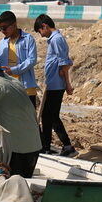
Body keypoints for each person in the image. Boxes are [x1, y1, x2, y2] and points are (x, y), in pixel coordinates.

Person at [33, 14, 76, 157]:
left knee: (52, 116)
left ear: (44, 26)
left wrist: (68, 85)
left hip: (57, 85)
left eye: (40, 31)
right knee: (47, 116)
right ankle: (45, 146)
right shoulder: (54, 40)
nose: (41, 35)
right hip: (53, 84)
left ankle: (67, 145)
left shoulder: (57, 39)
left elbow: (64, 65)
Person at [0, 11, 39, 111]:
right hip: (9, 89)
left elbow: (32, 60)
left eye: (4, 28)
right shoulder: (2, 43)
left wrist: (13, 70)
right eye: (0, 28)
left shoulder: (28, 39)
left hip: (26, 89)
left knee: (30, 121)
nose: (2, 31)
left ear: (14, 25)